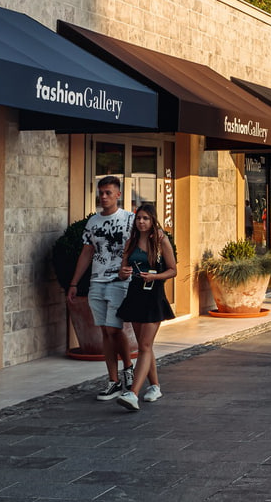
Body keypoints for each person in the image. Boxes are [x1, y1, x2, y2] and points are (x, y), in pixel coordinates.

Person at [68, 176, 135, 401]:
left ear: (118, 195)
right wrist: (74, 283)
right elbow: (86, 252)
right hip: (97, 281)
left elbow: (141, 247)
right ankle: (113, 380)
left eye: (108, 193)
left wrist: (133, 269)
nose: (103, 197)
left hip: (120, 281)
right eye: (101, 193)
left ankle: (128, 368)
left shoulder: (130, 219)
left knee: (114, 328)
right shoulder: (93, 222)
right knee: (105, 331)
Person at [114, 203, 177, 411]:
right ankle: (155, 386)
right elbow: (122, 270)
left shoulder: (160, 240)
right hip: (135, 295)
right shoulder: (131, 242)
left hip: (153, 296)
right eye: (139, 218)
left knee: (145, 346)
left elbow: (173, 270)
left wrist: (154, 277)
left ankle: (133, 393)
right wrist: (123, 273)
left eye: (146, 218)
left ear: (152, 220)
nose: (141, 222)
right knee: (144, 346)